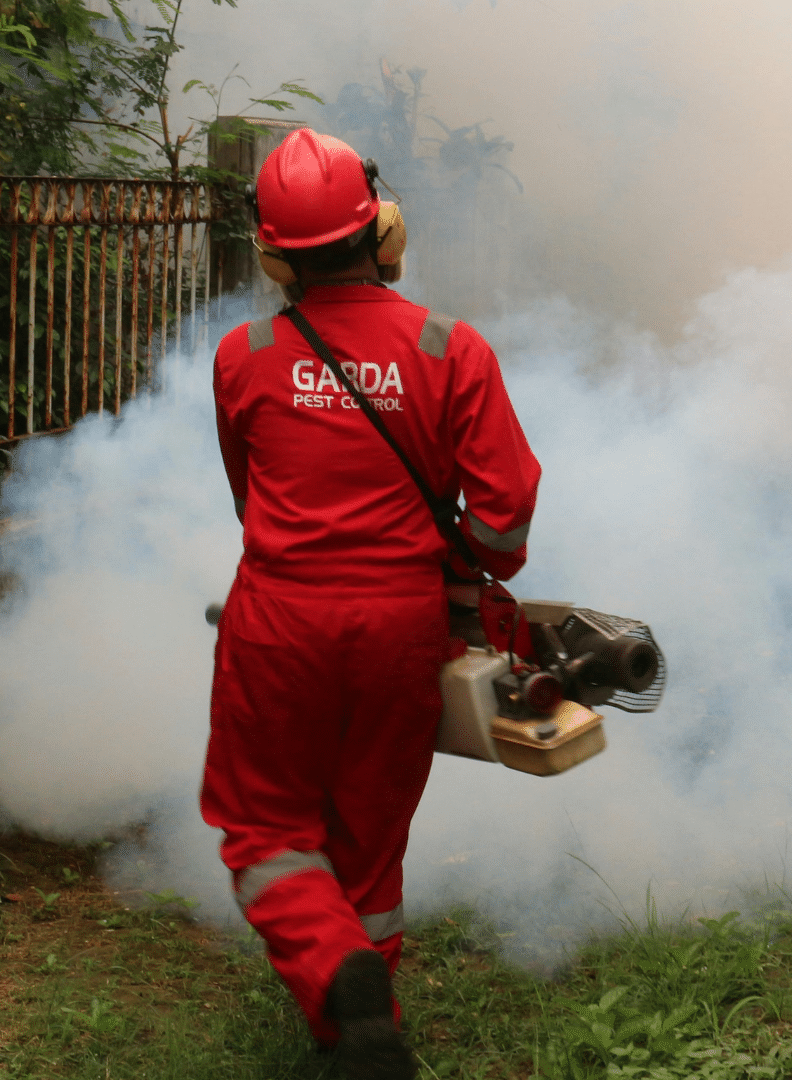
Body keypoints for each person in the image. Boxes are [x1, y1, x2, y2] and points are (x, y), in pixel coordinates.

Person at [204, 128, 543, 1080]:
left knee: (265, 828)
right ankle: (363, 1034)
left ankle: (342, 985)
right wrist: (463, 566)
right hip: (402, 628)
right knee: (369, 830)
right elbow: (507, 519)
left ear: (273, 256)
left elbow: (250, 501)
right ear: (384, 228)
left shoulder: (243, 355)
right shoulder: (451, 348)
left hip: (278, 623)